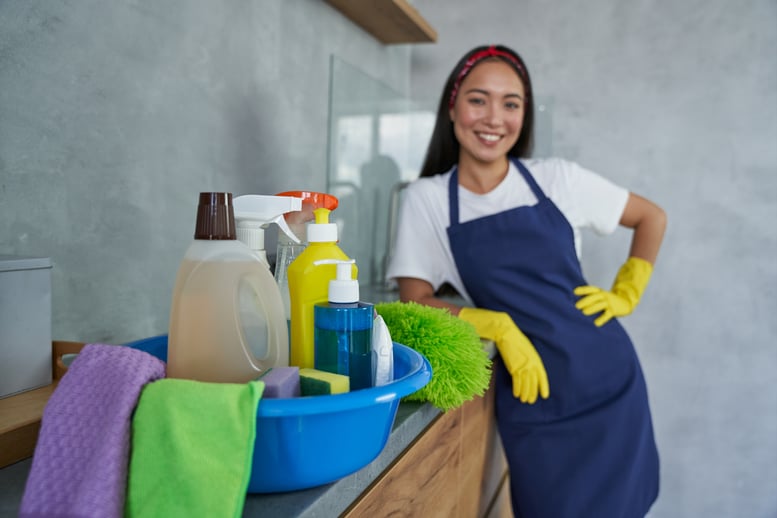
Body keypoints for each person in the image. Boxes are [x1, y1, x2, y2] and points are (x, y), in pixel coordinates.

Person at [386, 44, 667, 517]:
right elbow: (414, 301)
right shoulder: (428, 200)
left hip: (609, 384)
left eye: (510, 103)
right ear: (452, 105)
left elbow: (651, 217)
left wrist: (627, 291)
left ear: (523, 115)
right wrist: (496, 325)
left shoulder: (557, 179)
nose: (494, 117)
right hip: (534, 397)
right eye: (478, 99)